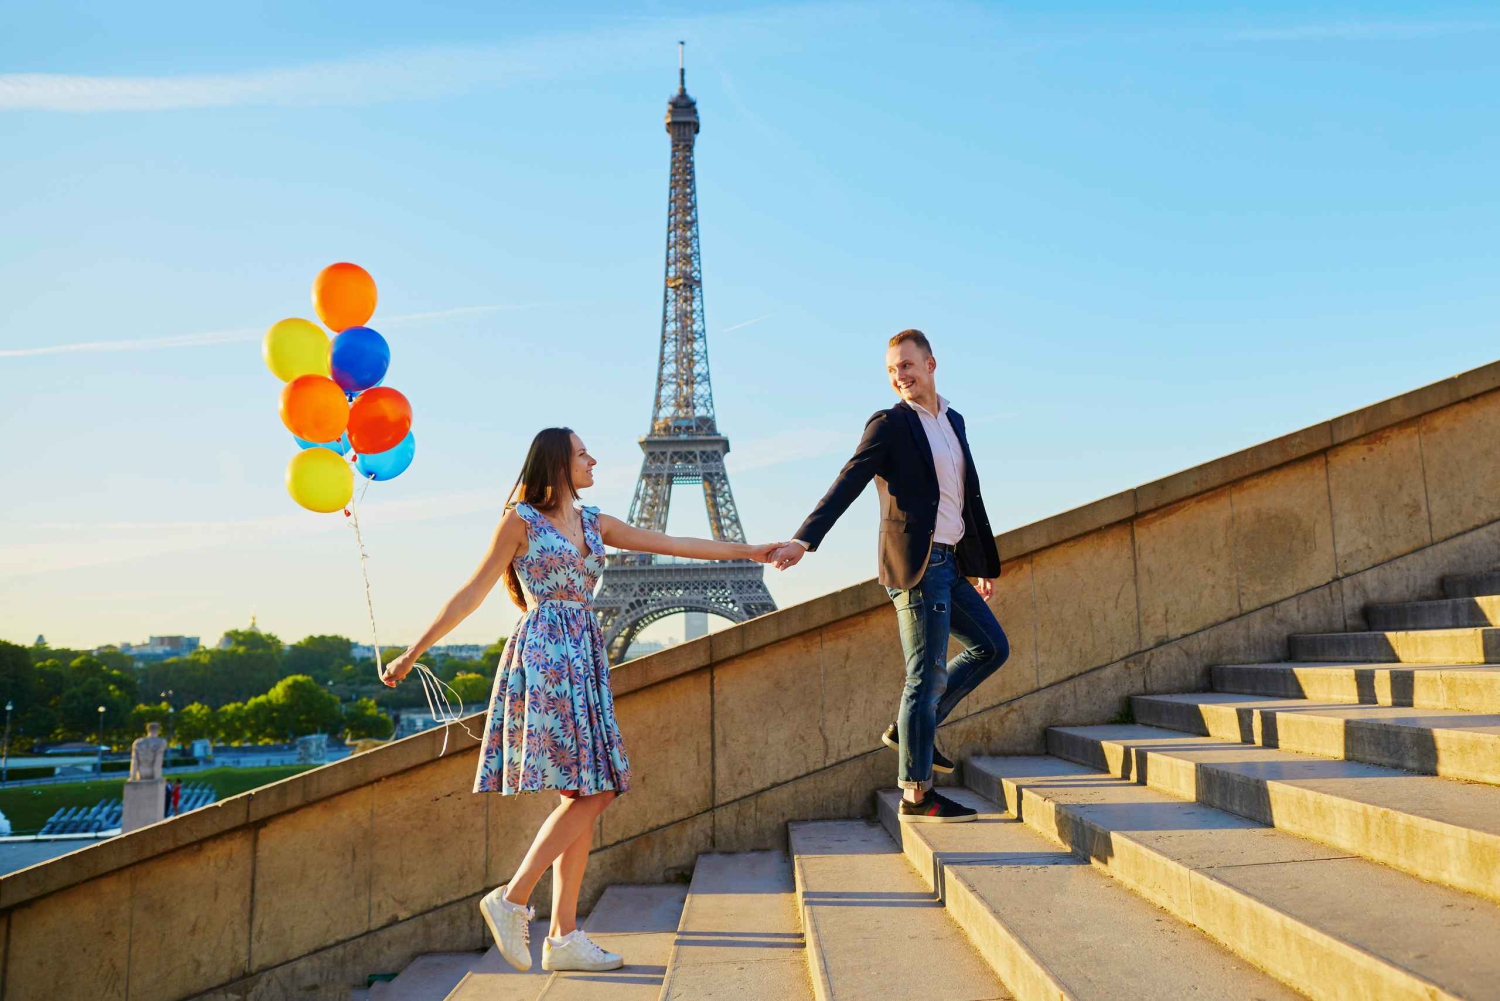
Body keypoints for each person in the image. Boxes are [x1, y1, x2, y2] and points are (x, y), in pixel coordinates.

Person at [381, 427, 782, 973]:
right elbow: (472, 592)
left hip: (584, 657)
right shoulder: (520, 522)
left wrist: (751, 550)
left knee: (587, 789)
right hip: (545, 655)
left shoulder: (596, 523)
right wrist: (411, 654)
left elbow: (679, 545)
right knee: (598, 789)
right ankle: (513, 898)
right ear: (556, 463)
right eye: (582, 453)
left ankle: (564, 935)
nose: (593, 459)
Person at [768, 329, 1008, 824]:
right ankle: (917, 794)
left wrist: (979, 563)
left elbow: (967, 494)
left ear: (931, 363)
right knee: (926, 675)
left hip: (952, 561)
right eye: (892, 370)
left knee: (992, 647)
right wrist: (804, 540)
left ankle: (912, 730)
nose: (900, 376)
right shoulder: (890, 424)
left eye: (907, 365)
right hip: (917, 567)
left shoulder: (953, 420)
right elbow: (850, 479)